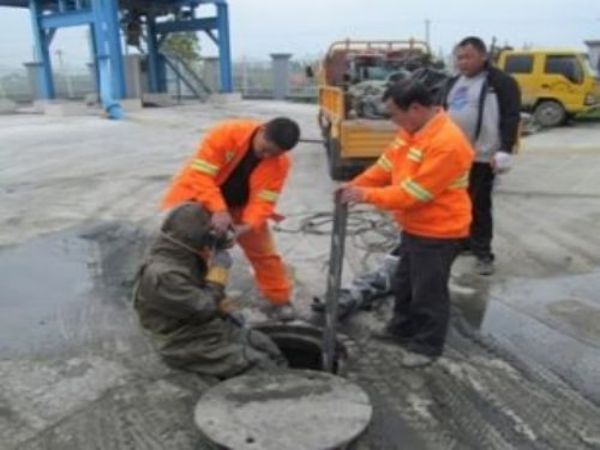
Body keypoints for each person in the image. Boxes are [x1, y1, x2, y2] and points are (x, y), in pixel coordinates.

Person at [338, 79, 474, 367]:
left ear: (414, 108)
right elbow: (384, 168)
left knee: (429, 290)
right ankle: (402, 328)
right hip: (415, 227)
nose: (391, 121)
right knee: (404, 282)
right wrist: (354, 185)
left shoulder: (447, 143)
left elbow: (414, 194)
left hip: (440, 231)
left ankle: (427, 346)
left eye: (393, 114)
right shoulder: (410, 131)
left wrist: (364, 195)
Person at [162, 117, 300, 320]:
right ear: (262, 131)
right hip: (201, 200)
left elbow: (264, 201)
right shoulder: (226, 134)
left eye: (274, 153)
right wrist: (218, 209)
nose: (266, 155)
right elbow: (199, 175)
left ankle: (280, 299)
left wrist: (247, 226)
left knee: (264, 254)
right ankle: (190, 300)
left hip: (240, 208)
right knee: (192, 252)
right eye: (265, 149)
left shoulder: (280, 163)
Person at [133, 202, 286, 379]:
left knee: (265, 345)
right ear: (195, 236)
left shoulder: (183, 253)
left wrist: (217, 245)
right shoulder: (164, 275)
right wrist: (218, 273)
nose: (211, 236)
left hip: (205, 327)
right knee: (260, 365)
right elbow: (205, 307)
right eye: (208, 233)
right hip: (182, 342)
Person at [441, 36, 521, 275]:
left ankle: (483, 253)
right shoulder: (453, 82)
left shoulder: (500, 82)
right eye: (459, 57)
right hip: (454, 156)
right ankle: (464, 241)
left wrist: (505, 149)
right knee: (457, 203)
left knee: (479, 204)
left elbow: (510, 116)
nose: (462, 62)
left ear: (483, 56)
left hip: (482, 156)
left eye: (468, 57)